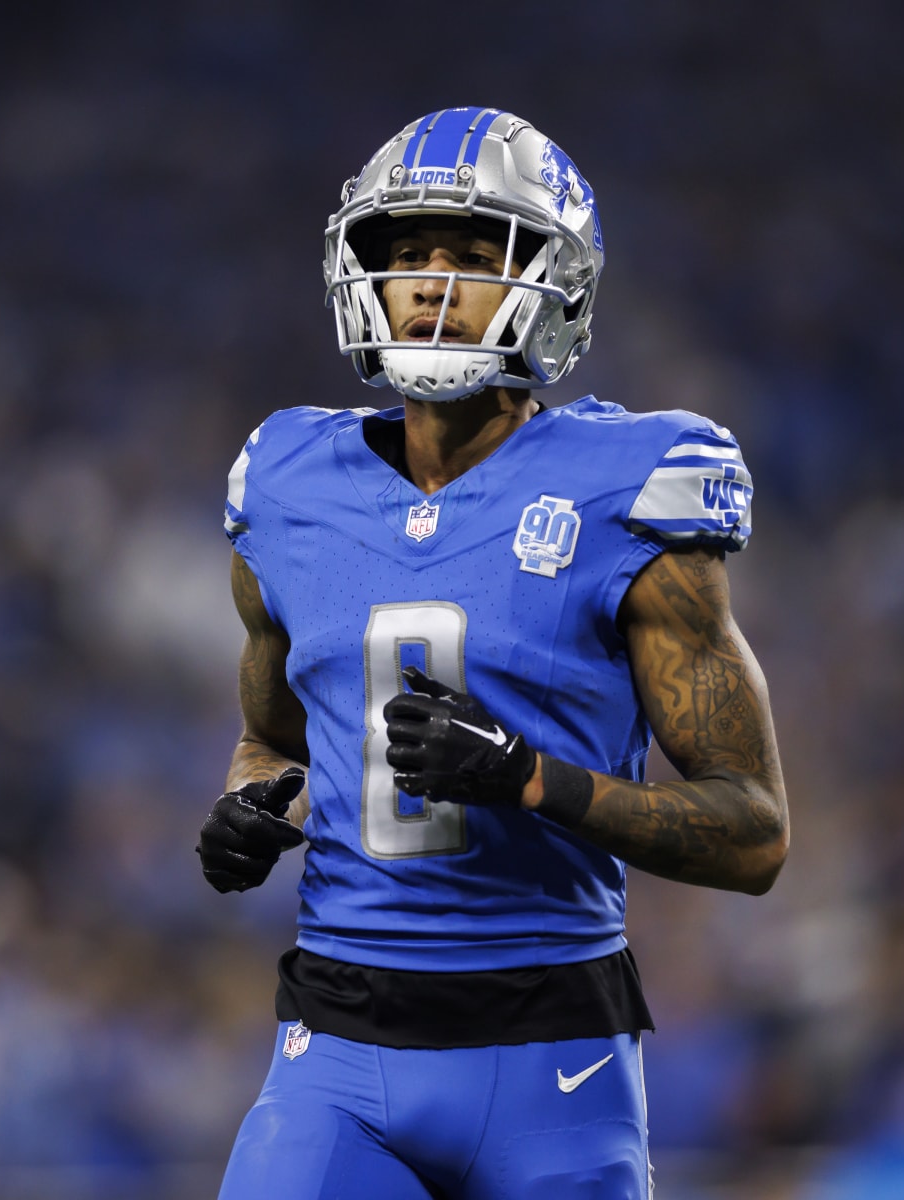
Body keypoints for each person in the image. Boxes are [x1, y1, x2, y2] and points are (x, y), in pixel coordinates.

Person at [197, 106, 789, 1199]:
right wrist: (252, 805)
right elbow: (270, 743)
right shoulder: (285, 485)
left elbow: (753, 834)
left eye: (472, 255)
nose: (431, 283)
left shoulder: (631, 488)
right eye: (408, 252)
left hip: (551, 1054)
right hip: (337, 1046)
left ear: (554, 282)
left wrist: (529, 779)